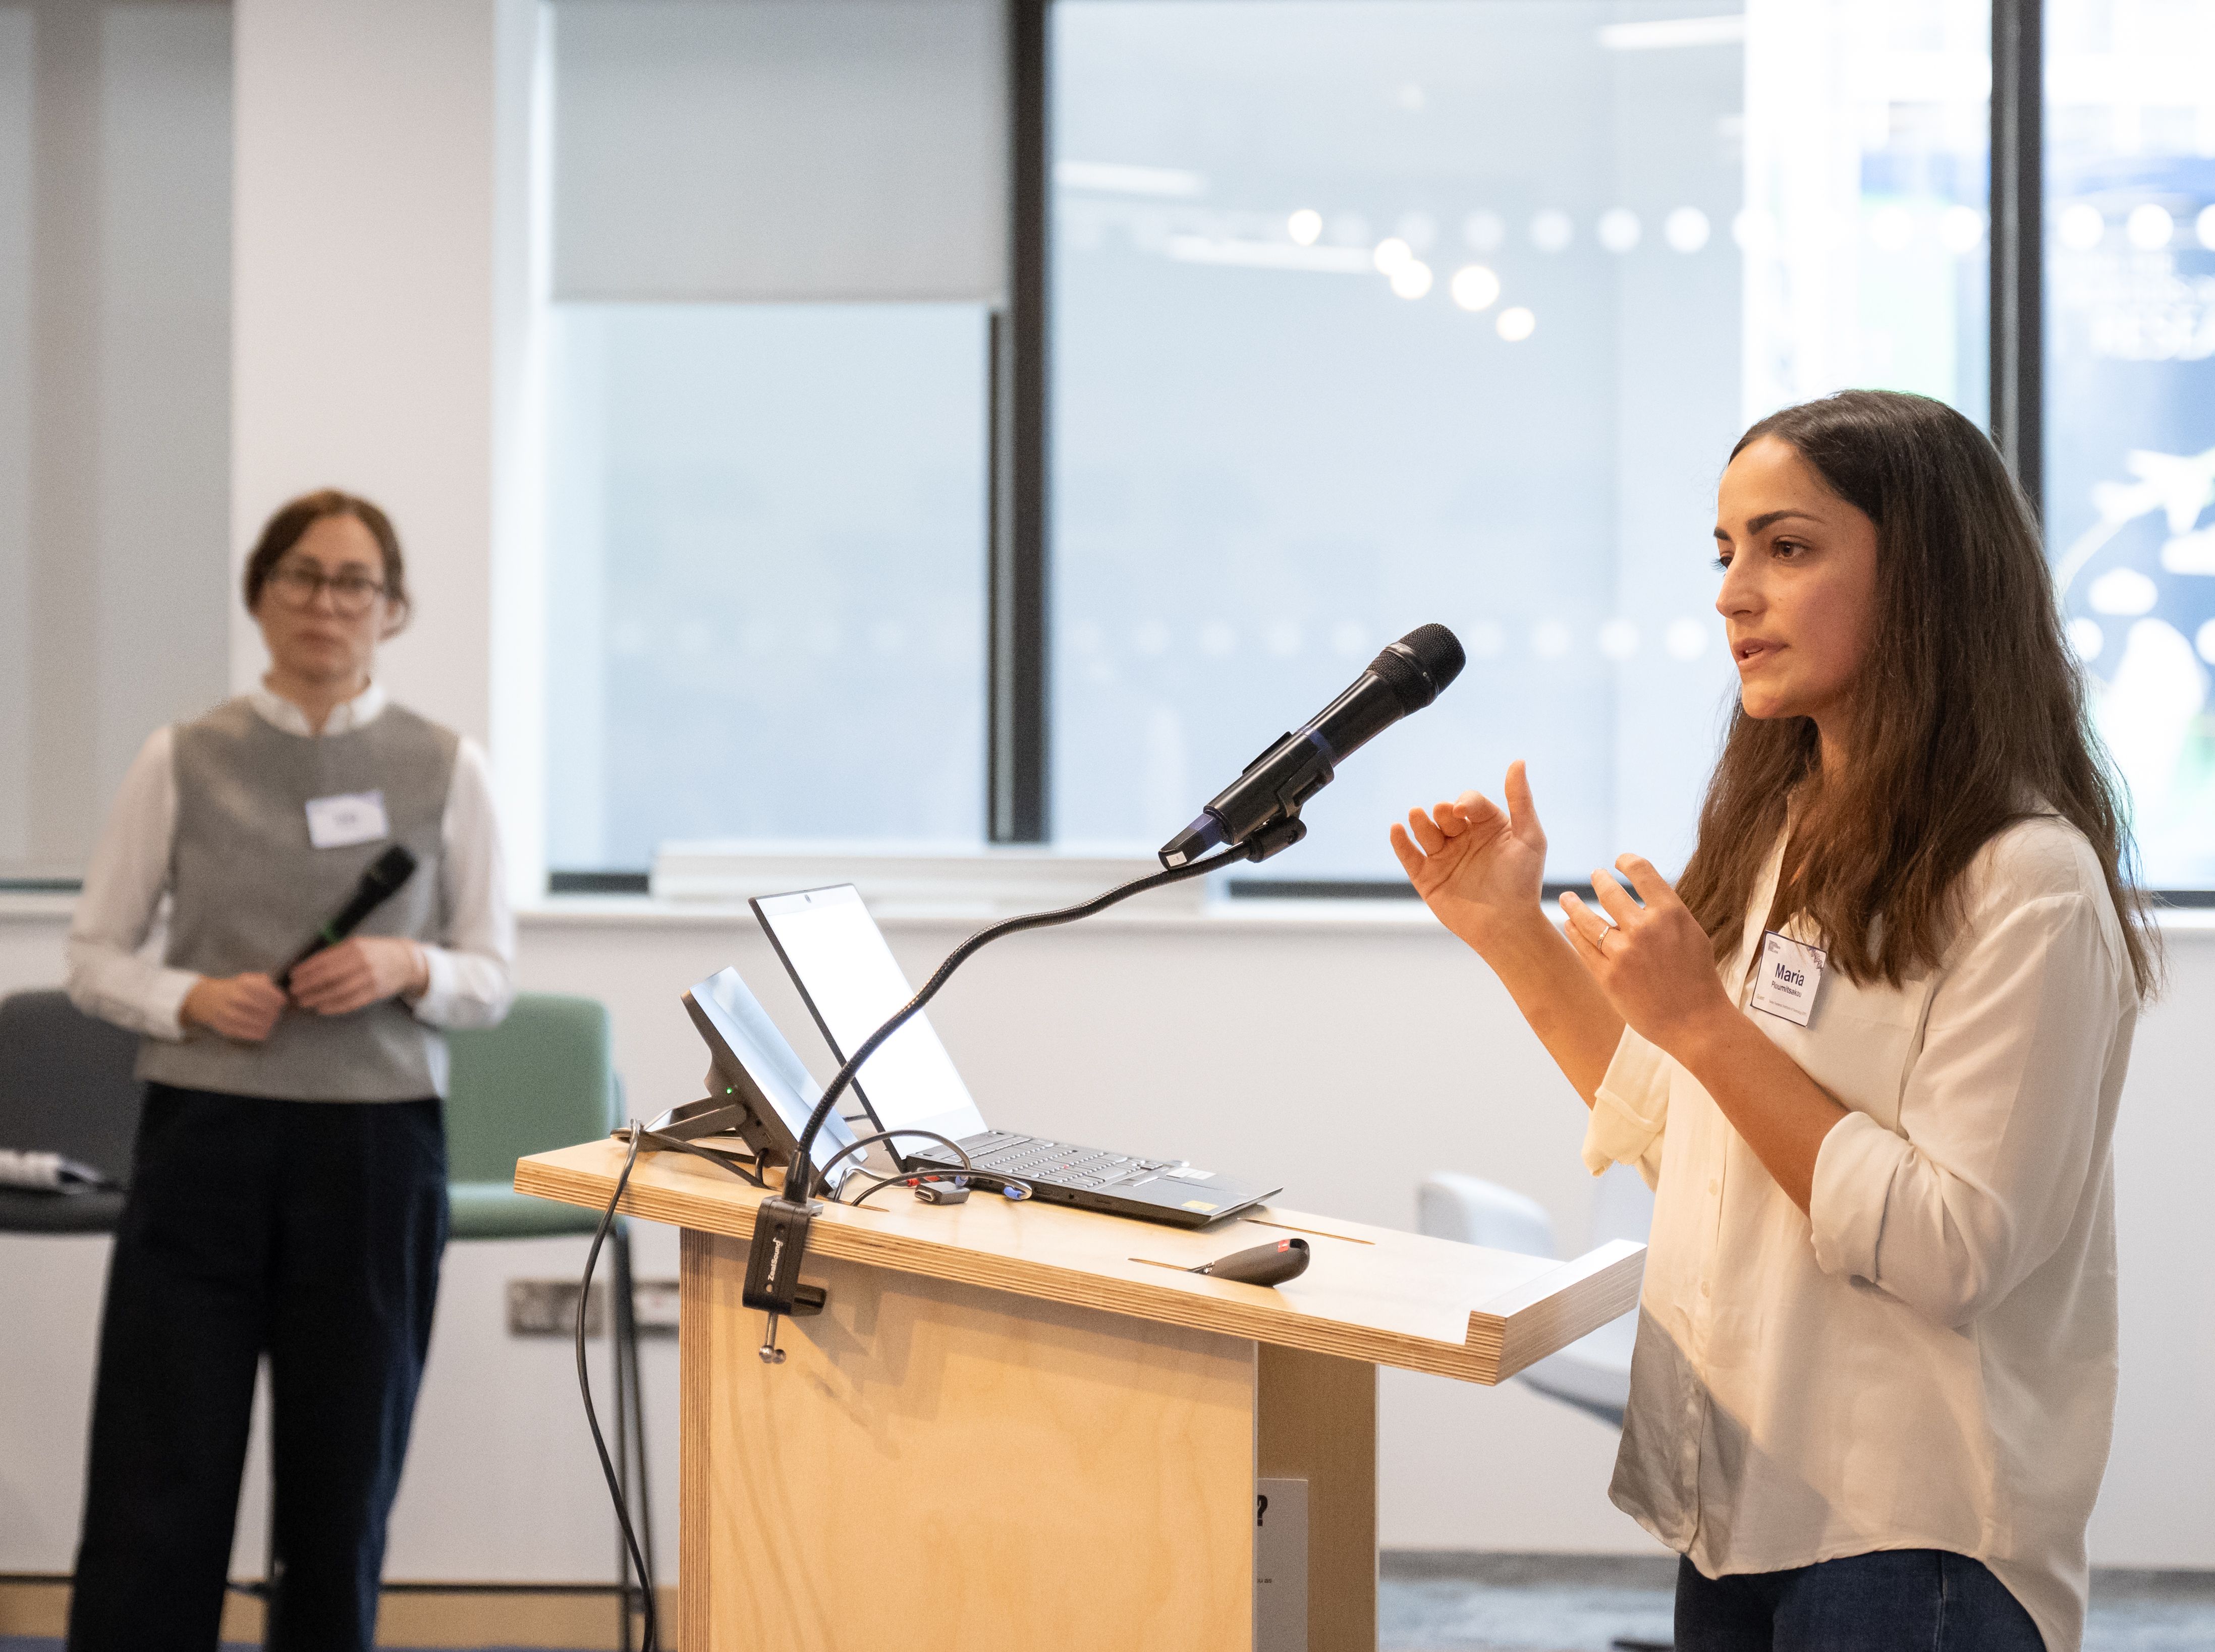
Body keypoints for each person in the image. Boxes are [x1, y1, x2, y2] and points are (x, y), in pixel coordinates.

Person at [1393, 390, 2155, 1652]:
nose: (1731, 594)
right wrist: (1512, 936)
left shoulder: (2025, 879)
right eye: (1724, 551)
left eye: (1785, 548)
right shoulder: (1781, 830)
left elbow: (1949, 1250)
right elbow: (1681, 1131)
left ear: (1925, 581)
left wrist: (1703, 1023)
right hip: (1741, 1500)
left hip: (1913, 1537)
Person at [64, 489, 514, 1652]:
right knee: (160, 1469)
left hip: (375, 1148)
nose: (327, 602)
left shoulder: (448, 766)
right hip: (204, 1136)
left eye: (354, 581)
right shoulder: (182, 756)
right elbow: (94, 956)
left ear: (393, 607)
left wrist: (405, 962)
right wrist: (188, 997)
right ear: (261, 594)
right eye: (303, 576)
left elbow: (492, 973)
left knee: (343, 1477)